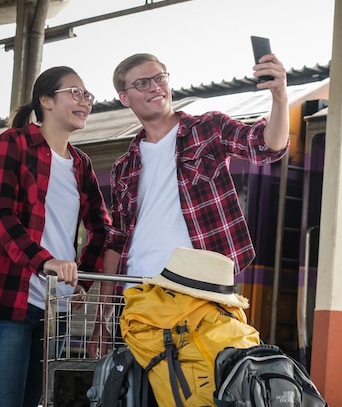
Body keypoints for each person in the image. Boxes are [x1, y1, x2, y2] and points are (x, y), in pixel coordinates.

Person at [88, 52, 289, 358]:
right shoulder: (124, 166)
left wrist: (279, 96)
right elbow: (116, 241)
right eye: (143, 83)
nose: (155, 87)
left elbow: (265, 146)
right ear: (124, 98)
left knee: (200, 390)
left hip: (199, 290)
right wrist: (101, 324)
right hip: (138, 294)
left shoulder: (207, 129)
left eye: (160, 77)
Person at [0, 66, 111, 407]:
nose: (85, 101)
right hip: (12, 303)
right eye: (75, 93)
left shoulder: (81, 164)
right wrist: (44, 261)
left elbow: (102, 227)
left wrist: (82, 282)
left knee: (36, 399)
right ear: (46, 100)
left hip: (56, 308)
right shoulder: (14, 143)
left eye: (87, 95)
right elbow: (2, 214)